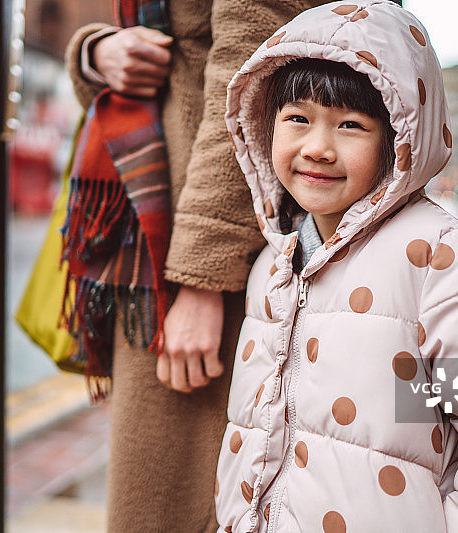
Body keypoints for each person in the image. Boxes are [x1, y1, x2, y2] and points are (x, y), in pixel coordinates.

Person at [215, 2, 458, 531]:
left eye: (351, 125)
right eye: (297, 119)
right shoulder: (275, 260)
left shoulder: (435, 260)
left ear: (400, 142)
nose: (318, 147)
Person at [63, 1, 328, 530]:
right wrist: (98, 54)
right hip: (156, 235)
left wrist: (202, 280)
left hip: (211, 245)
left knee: (179, 498)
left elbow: (250, 75)